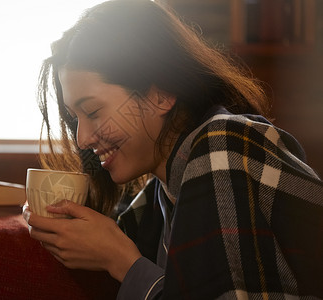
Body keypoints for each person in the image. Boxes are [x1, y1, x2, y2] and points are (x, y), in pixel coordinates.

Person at [23, 0, 323, 298]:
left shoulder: (222, 148)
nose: (82, 139)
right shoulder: (155, 200)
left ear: (161, 94)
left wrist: (122, 262)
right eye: (75, 119)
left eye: (93, 112)